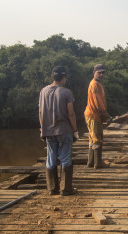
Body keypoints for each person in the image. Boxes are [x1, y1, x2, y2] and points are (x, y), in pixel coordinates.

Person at [39, 66, 80, 196]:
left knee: (50, 158)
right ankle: (66, 189)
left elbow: (40, 112)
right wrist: (75, 130)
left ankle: (52, 189)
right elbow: (71, 113)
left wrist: (42, 129)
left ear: (52, 77)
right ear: (63, 77)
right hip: (64, 130)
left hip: (48, 132)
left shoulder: (43, 91)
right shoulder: (66, 92)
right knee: (65, 158)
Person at [84, 64, 112, 169]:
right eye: (99, 72)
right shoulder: (95, 85)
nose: (101, 74)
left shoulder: (96, 84)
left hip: (92, 114)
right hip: (94, 115)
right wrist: (106, 116)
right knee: (97, 138)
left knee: (92, 138)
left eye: (103, 73)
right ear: (94, 72)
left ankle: (91, 162)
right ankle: (98, 163)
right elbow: (98, 103)